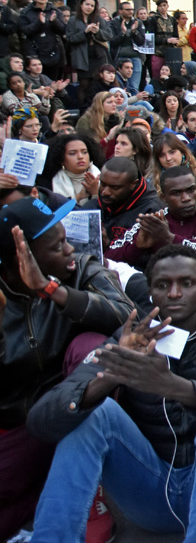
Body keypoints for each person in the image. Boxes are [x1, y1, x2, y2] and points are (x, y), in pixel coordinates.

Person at [26, 244, 196, 543]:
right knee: (94, 410)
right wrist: (111, 374)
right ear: (150, 292)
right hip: (151, 492)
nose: (175, 294)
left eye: (187, 283)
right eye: (163, 285)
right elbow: (41, 421)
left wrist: (174, 387)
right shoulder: (132, 336)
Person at [0, 195, 134, 539]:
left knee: (91, 345)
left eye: (66, 239)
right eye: (57, 245)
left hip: (78, 400)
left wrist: (53, 291)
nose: (69, 250)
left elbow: (126, 317)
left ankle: (90, 489)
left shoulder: (82, 269)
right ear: (21, 257)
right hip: (23, 418)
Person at [109, 167, 196, 270]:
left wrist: (169, 238)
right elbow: (108, 257)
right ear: (163, 198)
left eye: (191, 190)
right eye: (176, 193)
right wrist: (137, 247)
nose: (186, 198)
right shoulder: (154, 222)